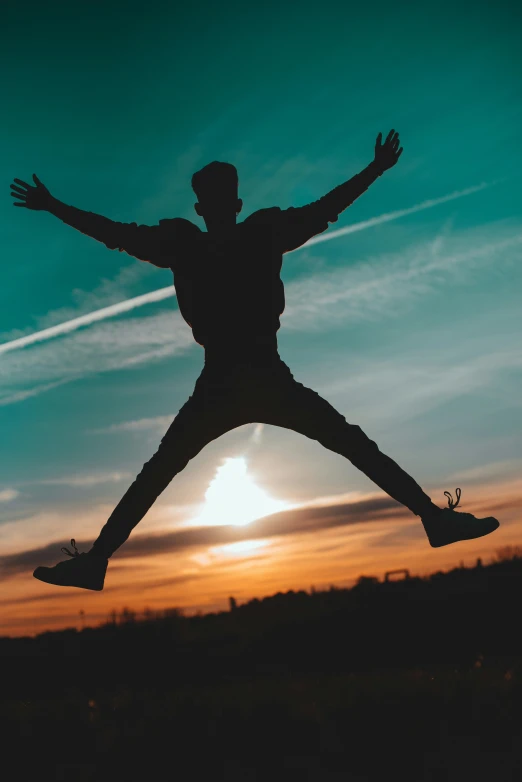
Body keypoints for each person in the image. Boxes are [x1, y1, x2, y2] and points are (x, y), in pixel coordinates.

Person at [10, 130, 499, 592]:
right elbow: (324, 210)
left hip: (236, 381)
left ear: (210, 207)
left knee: (161, 472)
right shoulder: (241, 234)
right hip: (251, 379)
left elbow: (115, 233)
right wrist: (373, 170)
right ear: (226, 205)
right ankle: (434, 520)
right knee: (350, 445)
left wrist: (53, 206)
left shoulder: (208, 239)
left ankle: (97, 560)